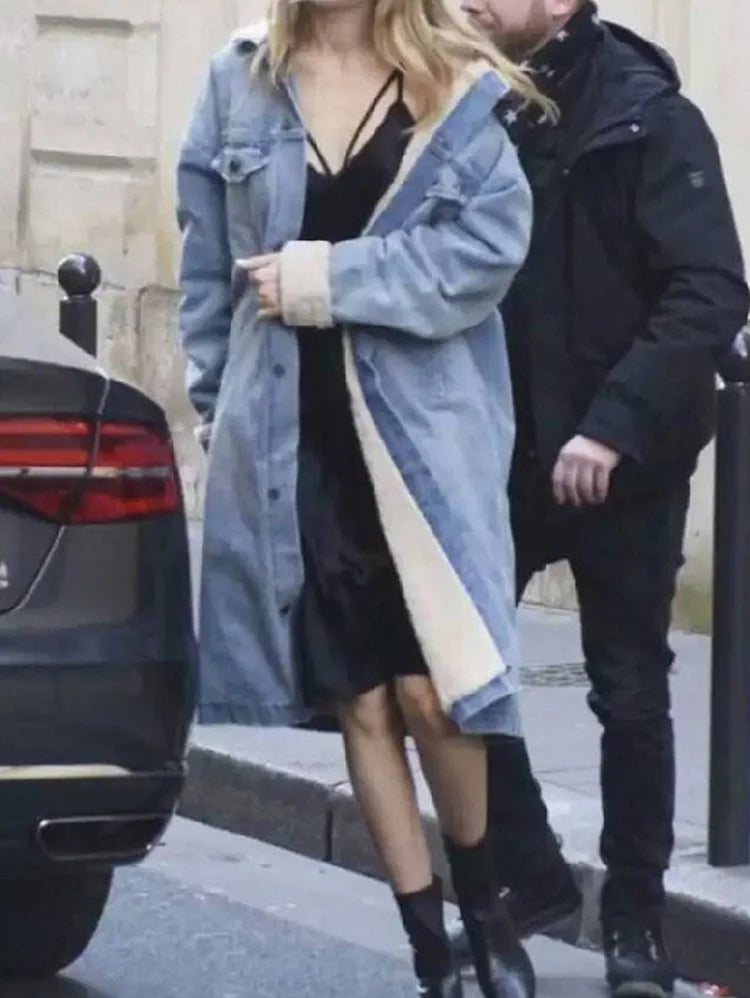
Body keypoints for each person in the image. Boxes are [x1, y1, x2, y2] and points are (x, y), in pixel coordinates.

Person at [176, 1, 553, 994]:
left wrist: (328, 280)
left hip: (421, 445)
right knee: (364, 697)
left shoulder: (450, 79)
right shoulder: (239, 81)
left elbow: (487, 251)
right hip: (294, 441)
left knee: (440, 691)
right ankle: (431, 950)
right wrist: (219, 410)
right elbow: (207, 272)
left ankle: (489, 918)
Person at [453, 1, 750, 995]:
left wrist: (614, 426)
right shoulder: (463, 96)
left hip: (625, 462)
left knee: (629, 692)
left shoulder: (651, 115)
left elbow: (708, 289)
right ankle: (530, 876)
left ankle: (636, 924)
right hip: (499, 448)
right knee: (451, 670)